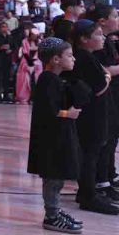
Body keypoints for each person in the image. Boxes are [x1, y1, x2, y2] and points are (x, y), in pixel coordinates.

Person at [27, 37, 84, 234]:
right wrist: (69, 114)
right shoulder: (47, 79)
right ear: (55, 59)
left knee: (57, 178)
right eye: (69, 55)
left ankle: (56, 211)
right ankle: (51, 216)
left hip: (56, 137)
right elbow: (48, 110)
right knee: (52, 178)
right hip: (50, 140)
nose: (74, 59)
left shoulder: (54, 79)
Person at [66, 20, 119, 215]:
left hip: (96, 112)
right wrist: (106, 77)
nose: (103, 37)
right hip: (90, 115)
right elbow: (99, 86)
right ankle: (89, 196)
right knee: (90, 154)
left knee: (93, 153)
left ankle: (87, 192)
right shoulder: (84, 58)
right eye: (98, 35)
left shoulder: (90, 56)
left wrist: (105, 76)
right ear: (84, 39)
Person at [86, 5, 119, 204]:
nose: (118, 18)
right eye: (115, 15)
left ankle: (107, 177)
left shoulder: (108, 41)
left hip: (112, 95)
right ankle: (100, 183)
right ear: (102, 21)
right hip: (104, 97)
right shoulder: (98, 45)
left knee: (112, 139)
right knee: (103, 140)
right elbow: (104, 70)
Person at [15, 29, 43, 104]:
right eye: (33, 35)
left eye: (35, 36)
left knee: (36, 80)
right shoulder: (25, 41)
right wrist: (29, 62)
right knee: (24, 80)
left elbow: (39, 53)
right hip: (26, 62)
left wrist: (34, 62)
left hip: (37, 63)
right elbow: (25, 52)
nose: (34, 37)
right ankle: (24, 97)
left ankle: (35, 98)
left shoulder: (39, 42)